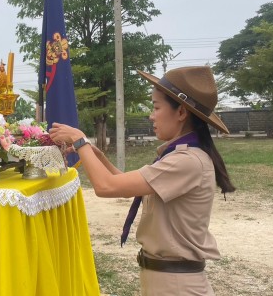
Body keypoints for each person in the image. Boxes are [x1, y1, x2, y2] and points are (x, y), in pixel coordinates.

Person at [49, 66, 235, 295]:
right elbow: (126, 186)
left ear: (181, 112)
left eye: (157, 107)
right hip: (166, 281)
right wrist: (98, 156)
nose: (151, 115)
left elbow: (106, 187)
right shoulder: (180, 155)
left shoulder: (186, 161)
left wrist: (79, 140)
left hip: (176, 286)